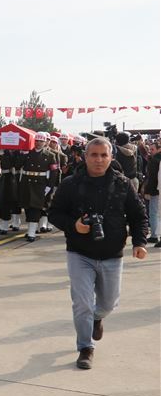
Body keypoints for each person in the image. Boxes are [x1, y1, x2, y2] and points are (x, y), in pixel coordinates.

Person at [47, 137, 149, 369]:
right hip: (79, 253)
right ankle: (85, 347)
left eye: (104, 155)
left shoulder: (123, 184)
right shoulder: (71, 184)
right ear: (85, 156)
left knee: (108, 304)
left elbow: (138, 215)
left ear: (111, 157)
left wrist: (139, 242)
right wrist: (75, 225)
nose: (99, 160)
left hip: (112, 254)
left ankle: (97, 318)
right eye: (94, 155)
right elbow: (54, 213)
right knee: (82, 302)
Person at [16, 132, 58, 242]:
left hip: (40, 183)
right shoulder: (28, 153)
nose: (38, 143)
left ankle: (31, 232)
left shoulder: (50, 155)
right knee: (27, 207)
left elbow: (54, 172)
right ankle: (30, 230)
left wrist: (49, 186)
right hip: (26, 182)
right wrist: (22, 154)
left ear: (45, 142)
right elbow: (17, 165)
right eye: (37, 141)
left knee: (36, 207)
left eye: (41, 141)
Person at [143, 140, 160, 245]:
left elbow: (152, 178)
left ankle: (154, 235)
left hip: (156, 191)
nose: (150, 151)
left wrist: (148, 191)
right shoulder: (154, 159)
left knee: (153, 213)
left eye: (152, 149)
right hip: (157, 189)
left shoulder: (155, 161)